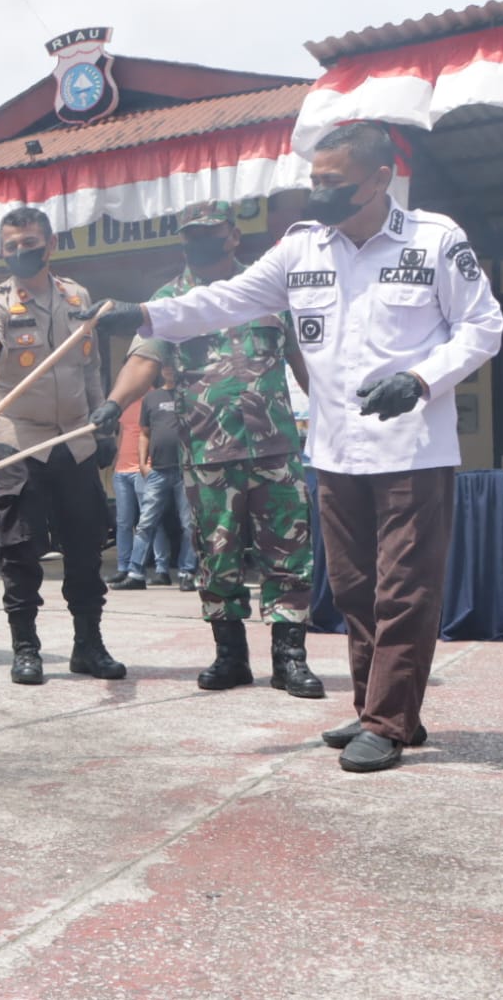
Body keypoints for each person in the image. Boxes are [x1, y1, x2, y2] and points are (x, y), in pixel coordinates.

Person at [84, 124, 503, 771]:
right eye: (314, 181)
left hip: (411, 450)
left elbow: (482, 327)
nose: (319, 193)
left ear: (377, 179)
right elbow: (223, 302)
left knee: (404, 591)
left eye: (332, 183)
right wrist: (142, 316)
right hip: (334, 454)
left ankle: (387, 723)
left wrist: (420, 378)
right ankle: (380, 710)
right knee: (356, 589)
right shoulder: (300, 250)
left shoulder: (433, 240)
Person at [91, 200, 321, 699]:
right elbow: (143, 362)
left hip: (276, 450)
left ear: (233, 236)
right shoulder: (170, 298)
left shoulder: (270, 289)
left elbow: (307, 364)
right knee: (217, 557)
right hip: (207, 455)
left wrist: (333, 415)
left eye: (209, 233)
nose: (199, 243)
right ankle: (230, 656)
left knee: (288, 554)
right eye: (190, 236)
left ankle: (290, 659)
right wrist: (113, 404)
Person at [0, 206, 125, 686]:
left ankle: (88, 645)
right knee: (18, 552)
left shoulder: (76, 295)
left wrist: (105, 426)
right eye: (11, 246)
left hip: (75, 438)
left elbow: (90, 366)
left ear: (50, 244)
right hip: (22, 441)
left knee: (84, 548)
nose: (21, 252)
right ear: (2, 250)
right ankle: (26, 648)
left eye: (30, 243)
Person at [111, 363, 199, 591]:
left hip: (185, 470)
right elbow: (144, 433)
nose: (169, 370)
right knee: (145, 523)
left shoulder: (191, 394)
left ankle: (187, 572)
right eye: (166, 367)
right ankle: (135, 573)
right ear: (161, 370)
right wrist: (142, 462)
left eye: (173, 367)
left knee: (189, 524)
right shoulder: (152, 398)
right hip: (157, 470)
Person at [105, 399, 145, 584]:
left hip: (142, 470)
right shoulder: (124, 401)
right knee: (123, 522)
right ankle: (124, 567)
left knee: (149, 523)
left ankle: (157, 568)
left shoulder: (152, 397)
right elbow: (122, 433)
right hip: (122, 470)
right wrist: (116, 460)